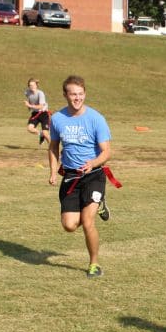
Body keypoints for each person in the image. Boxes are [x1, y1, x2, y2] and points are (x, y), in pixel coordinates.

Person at [48, 75, 112, 279]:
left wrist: (93, 163)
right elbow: (53, 146)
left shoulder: (96, 119)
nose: (77, 98)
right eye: (73, 94)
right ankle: (98, 203)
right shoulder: (57, 119)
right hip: (70, 177)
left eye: (80, 94)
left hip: (93, 175)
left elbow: (106, 151)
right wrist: (52, 172)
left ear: (85, 94)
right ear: (65, 95)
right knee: (69, 225)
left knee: (87, 220)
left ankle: (94, 264)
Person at [24, 77, 50, 147]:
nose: (31, 87)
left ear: (36, 85)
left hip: (43, 113)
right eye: (30, 85)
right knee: (29, 128)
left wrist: (30, 105)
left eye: (33, 85)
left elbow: (41, 106)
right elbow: (29, 98)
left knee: (46, 133)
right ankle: (40, 134)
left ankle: (52, 147)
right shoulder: (27, 92)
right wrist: (29, 106)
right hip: (35, 113)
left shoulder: (40, 93)